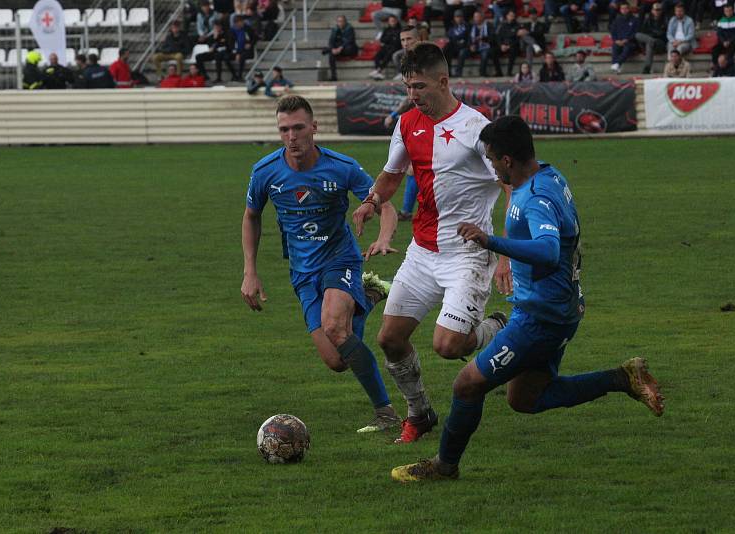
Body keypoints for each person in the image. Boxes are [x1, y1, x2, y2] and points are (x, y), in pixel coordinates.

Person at [390, 115, 665, 482]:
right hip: (559, 310)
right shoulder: (549, 175)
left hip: (540, 317)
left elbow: (549, 251)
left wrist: (491, 242)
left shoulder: (535, 198)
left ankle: (444, 466)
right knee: (525, 399)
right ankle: (622, 378)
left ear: (506, 160)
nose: (488, 164)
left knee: (467, 384)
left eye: (490, 158)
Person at [351, 43, 511, 444]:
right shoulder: (407, 124)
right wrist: (372, 201)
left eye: (419, 86)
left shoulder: (476, 128)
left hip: (468, 255)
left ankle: (499, 327)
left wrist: (506, 250)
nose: (412, 95)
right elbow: (391, 175)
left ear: (443, 81)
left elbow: (510, 185)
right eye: (407, 87)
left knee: (449, 345)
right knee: (389, 338)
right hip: (422, 252)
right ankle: (419, 413)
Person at [242, 95, 402, 433]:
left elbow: (384, 204)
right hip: (303, 271)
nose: (291, 136)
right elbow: (252, 216)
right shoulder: (266, 171)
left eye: (298, 127)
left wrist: (384, 237)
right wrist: (250, 272)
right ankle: (368, 298)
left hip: (340, 258)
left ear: (314, 127)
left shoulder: (340, 167)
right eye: (284, 129)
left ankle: (386, 413)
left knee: (333, 326)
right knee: (336, 360)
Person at [464, 10, 502, 77]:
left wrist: (483, 38)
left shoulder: (489, 25)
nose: (476, 18)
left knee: (484, 54)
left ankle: (482, 74)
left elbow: (493, 39)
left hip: (487, 47)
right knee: (462, 52)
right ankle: (458, 73)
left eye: (477, 17)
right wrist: (470, 46)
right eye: (475, 17)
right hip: (475, 47)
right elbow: (468, 39)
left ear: (482, 17)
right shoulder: (471, 27)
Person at [636, 2, 668, 74]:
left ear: (661, 10)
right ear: (652, 10)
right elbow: (643, 32)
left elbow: (664, 34)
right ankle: (647, 67)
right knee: (637, 35)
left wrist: (653, 35)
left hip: (660, 43)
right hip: (650, 40)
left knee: (649, 43)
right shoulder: (648, 19)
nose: (657, 11)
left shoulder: (665, 19)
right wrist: (652, 36)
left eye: (659, 10)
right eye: (655, 9)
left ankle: (647, 67)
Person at [325, 15, 359, 82]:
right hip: (338, 49)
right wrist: (333, 49)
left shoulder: (350, 28)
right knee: (331, 54)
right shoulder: (335, 29)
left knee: (347, 46)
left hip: (349, 49)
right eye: (338, 21)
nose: (340, 23)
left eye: (341, 21)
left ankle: (327, 50)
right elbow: (331, 41)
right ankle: (334, 76)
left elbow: (349, 40)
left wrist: (340, 48)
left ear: (345, 22)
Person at [370, 15, 403, 80]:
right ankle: (378, 71)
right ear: (388, 22)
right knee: (377, 56)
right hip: (387, 47)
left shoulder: (400, 30)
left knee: (389, 54)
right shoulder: (386, 29)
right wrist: (391, 38)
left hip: (396, 48)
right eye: (391, 21)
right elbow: (382, 39)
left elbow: (397, 42)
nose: (392, 22)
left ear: (396, 21)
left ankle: (379, 70)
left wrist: (389, 39)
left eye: (393, 21)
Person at [610, 2, 639, 73]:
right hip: (619, 41)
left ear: (629, 9)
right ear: (620, 10)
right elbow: (613, 31)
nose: (624, 10)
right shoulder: (617, 20)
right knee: (615, 46)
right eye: (622, 8)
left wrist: (627, 39)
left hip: (630, 42)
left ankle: (616, 63)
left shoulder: (634, 19)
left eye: (626, 8)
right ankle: (617, 66)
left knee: (627, 48)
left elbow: (636, 32)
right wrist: (616, 40)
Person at [230, 14, 257, 80]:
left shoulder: (248, 28)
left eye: (240, 22)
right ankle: (234, 75)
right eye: (237, 23)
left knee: (242, 57)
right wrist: (236, 53)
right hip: (237, 51)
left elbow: (255, 38)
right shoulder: (232, 31)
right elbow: (232, 43)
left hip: (247, 51)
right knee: (225, 56)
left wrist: (250, 44)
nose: (239, 25)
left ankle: (240, 76)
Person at [445, 9, 470, 77]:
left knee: (462, 52)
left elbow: (468, 38)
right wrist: (458, 38)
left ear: (463, 17)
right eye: (457, 17)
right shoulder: (452, 27)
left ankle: (458, 72)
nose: (459, 18)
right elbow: (449, 37)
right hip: (455, 47)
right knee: (447, 51)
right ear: (454, 18)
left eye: (460, 16)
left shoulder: (467, 27)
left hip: (465, 47)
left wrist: (456, 38)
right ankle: (448, 72)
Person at [496, 10, 520, 77]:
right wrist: (501, 45)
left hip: (513, 46)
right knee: (493, 52)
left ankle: (509, 72)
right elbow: (498, 37)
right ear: (507, 16)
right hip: (503, 45)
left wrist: (509, 46)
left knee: (513, 51)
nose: (512, 17)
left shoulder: (517, 25)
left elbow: (517, 39)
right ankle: (499, 72)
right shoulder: (502, 25)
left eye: (513, 16)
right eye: (510, 15)